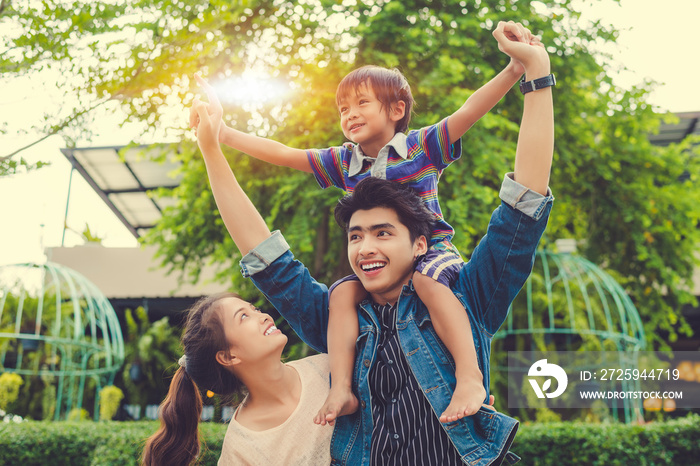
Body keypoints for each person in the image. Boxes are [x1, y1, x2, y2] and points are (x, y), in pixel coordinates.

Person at [191, 19, 553, 465]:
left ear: (420, 243)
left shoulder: (467, 297)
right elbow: (266, 256)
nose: (365, 248)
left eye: (384, 233)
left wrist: (535, 76)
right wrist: (213, 145)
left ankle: (470, 378)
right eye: (356, 235)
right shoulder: (338, 317)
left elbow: (524, 206)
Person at [141, 292, 333, 465]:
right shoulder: (240, 450)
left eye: (254, 309)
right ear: (228, 356)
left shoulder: (329, 368)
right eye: (243, 316)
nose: (264, 316)